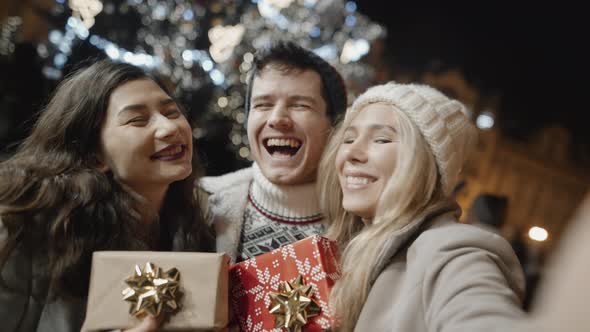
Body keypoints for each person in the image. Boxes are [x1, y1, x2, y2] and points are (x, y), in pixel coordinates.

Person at [0, 60, 214, 332]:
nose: (169, 128)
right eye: (138, 120)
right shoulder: (26, 225)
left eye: (172, 112)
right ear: (93, 153)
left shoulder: (199, 225)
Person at [318, 82, 525, 331]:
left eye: (382, 140)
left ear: (426, 164)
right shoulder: (338, 248)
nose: (352, 153)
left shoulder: (453, 252)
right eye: (348, 138)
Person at [200, 40, 347, 263]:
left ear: (334, 125)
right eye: (263, 105)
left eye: (300, 105)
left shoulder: (362, 218)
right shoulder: (203, 205)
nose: (277, 119)